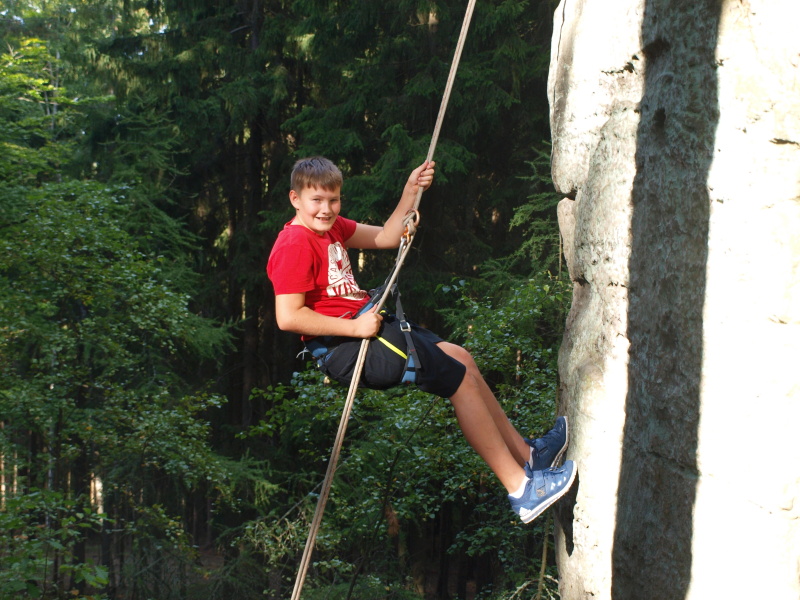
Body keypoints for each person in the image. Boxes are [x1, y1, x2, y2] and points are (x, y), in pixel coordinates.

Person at [267, 156, 576, 523]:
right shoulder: (294, 243)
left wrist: (410, 191)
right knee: (458, 381)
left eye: (333, 200)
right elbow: (288, 317)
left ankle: (529, 456)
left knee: (460, 358)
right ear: (295, 199)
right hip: (349, 346)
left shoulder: (332, 228)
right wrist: (355, 329)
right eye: (316, 200)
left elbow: (386, 236)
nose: (326, 209)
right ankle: (521, 490)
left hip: (367, 328)